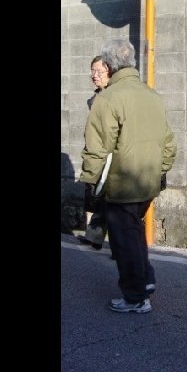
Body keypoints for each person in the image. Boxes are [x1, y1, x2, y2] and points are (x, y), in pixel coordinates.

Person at [80, 39, 177, 314]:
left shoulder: (107, 98)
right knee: (134, 233)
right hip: (148, 181)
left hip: (122, 183)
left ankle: (135, 296)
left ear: (109, 66)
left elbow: (98, 147)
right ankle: (145, 281)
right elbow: (169, 144)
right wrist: (161, 169)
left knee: (124, 241)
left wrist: (91, 182)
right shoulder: (152, 95)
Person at [77, 56, 111, 251]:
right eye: (92, 71)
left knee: (109, 200)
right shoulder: (97, 97)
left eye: (99, 71)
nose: (94, 75)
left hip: (109, 156)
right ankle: (94, 237)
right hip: (95, 154)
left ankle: (121, 247)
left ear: (110, 72)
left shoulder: (113, 97)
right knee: (94, 196)